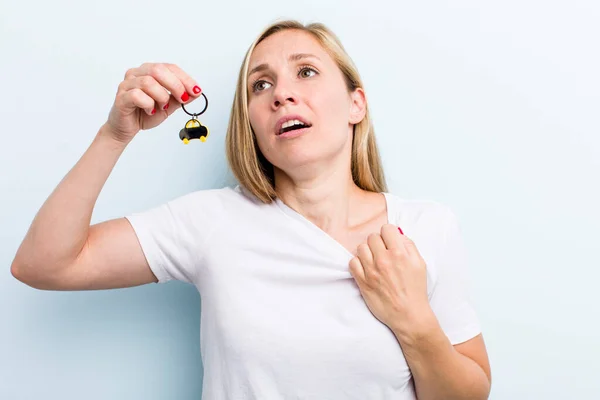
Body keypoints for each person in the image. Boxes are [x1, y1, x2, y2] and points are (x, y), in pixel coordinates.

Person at [11, 19, 491, 400]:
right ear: (253, 126)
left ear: (355, 104)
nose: (281, 93)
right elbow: (43, 263)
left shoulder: (426, 228)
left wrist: (412, 318)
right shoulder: (210, 222)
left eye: (306, 71)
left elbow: (467, 395)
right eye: (260, 86)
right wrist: (115, 134)